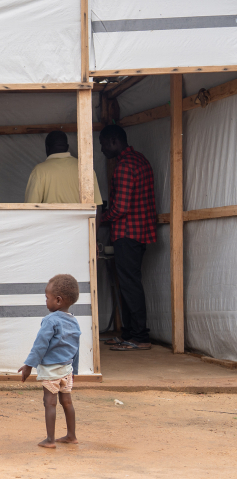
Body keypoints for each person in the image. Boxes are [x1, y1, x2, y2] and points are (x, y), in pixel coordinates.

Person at [99, 125, 156, 351]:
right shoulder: (140, 160)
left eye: (103, 143)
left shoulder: (123, 167)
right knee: (130, 284)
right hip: (140, 232)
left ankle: (139, 337)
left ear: (114, 141)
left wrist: (101, 217)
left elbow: (120, 208)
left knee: (130, 285)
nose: (102, 148)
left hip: (126, 233)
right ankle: (130, 334)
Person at [18, 274, 81, 448]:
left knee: (50, 402)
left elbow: (40, 345)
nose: (46, 301)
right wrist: (74, 370)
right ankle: (71, 435)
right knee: (67, 402)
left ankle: (50, 440)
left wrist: (29, 365)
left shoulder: (50, 320)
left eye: (47, 298)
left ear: (58, 300)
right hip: (67, 370)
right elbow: (75, 347)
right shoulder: (73, 321)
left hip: (51, 370)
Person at [25, 131, 102, 204]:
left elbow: (31, 206)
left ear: (47, 148)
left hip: (51, 218)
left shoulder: (39, 171)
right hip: (79, 218)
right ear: (67, 147)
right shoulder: (85, 169)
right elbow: (97, 205)